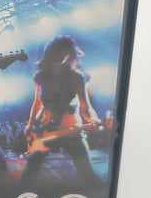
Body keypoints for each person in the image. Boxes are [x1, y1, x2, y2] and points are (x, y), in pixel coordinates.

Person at [21, 35, 105, 187]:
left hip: (72, 132)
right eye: (60, 51)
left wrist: (94, 120)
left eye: (66, 52)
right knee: (29, 175)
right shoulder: (39, 76)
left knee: (88, 175)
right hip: (46, 132)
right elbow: (37, 103)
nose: (63, 56)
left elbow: (85, 107)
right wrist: (30, 124)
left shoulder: (76, 77)